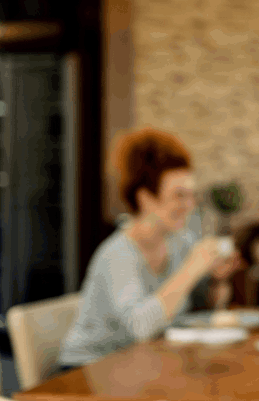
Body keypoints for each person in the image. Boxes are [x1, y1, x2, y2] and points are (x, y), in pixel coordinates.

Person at [57, 126, 243, 369]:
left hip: (141, 365)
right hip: (89, 371)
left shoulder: (180, 242)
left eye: (191, 195)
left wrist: (217, 280)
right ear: (145, 198)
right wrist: (192, 269)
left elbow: (198, 309)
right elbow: (142, 328)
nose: (189, 205)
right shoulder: (117, 254)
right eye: (179, 196)